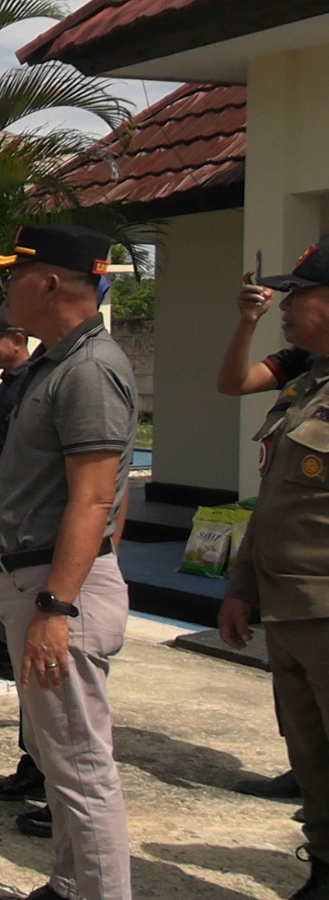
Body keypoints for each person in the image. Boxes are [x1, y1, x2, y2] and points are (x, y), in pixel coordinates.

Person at [0, 224, 136, 900]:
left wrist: (57, 607)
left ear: (49, 282)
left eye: (14, 275)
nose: (6, 289)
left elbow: (96, 497)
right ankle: (73, 882)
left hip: (57, 585)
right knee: (60, 756)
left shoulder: (89, 369)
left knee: (80, 765)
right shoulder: (57, 362)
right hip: (38, 577)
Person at [218, 239, 329, 900]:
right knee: (310, 755)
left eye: (300, 294)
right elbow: (276, 502)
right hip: (290, 610)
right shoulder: (307, 379)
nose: (284, 305)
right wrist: (242, 589)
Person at [217, 275, 308, 804]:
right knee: (298, 697)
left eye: (303, 294)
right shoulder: (303, 366)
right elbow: (233, 382)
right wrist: (247, 323)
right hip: (290, 582)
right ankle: (307, 770)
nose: (287, 305)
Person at [0, 306, 49, 813]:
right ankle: (31, 765)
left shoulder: (35, 382)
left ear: (17, 339)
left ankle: (44, 776)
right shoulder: (12, 385)